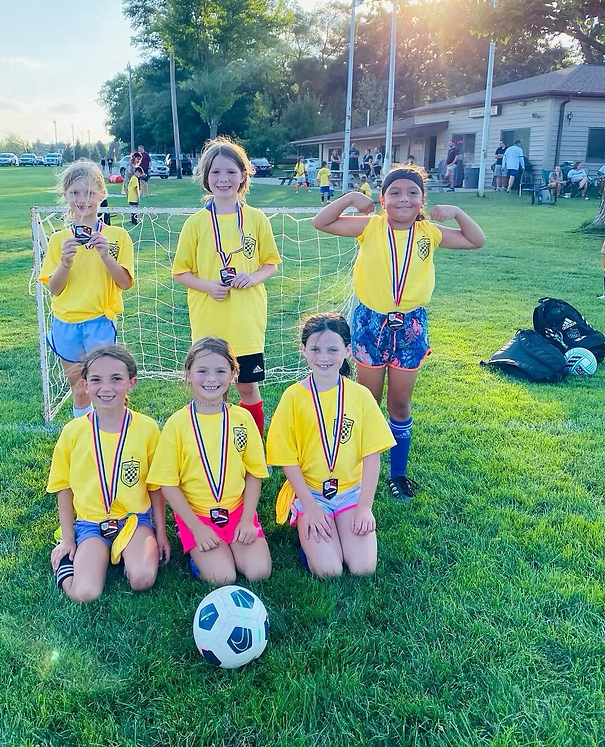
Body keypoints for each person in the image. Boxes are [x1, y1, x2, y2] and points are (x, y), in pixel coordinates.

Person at [312, 165, 486, 502]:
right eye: (394, 192)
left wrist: (457, 212)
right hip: (370, 324)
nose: (403, 198)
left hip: (410, 326)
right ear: (382, 199)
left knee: (400, 404)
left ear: (423, 200)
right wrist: (350, 197)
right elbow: (322, 222)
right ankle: (361, 470)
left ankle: (398, 474)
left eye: (412, 192)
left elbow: (476, 240)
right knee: (368, 402)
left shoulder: (429, 232)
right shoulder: (371, 227)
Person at [266, 314, 395, 578]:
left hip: (350, 493)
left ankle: (336, 527)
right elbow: (287, 460)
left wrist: (364, 508)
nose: (323, 356)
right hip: (311, 493)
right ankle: (306, 528)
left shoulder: (360, 396)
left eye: (332, 349)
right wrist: (310, 508)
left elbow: (372, 457)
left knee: (363, 568)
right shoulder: (293, 397)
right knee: (329, 571)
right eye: (315, 349)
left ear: (347, 351)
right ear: (303, 350)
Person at [172, 138, 281, 436]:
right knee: (212, 389)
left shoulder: (257, 219)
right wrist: (207, 286)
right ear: (206, 177)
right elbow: (180, 271)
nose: (224, 179)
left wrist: (253, 277)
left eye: (231, 172)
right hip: (209, 321)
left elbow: (270, 263)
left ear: (244, 175)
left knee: (247, 387)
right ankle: (214, 445)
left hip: (246, 321)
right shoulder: (195, 223)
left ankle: (252, 451)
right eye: (216, 172)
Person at [47, 345, 169, 601]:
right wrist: (68, 539)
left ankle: (129, 556)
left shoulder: (147, 429)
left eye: (116, 379)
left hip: (135, 520)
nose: (106, 388)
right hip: (91, 523)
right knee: (86, 593)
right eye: (96, 380)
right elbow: (63, 487)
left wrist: (160, 533)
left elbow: (155, 487)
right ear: (84, 385)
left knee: (143, 579)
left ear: (131, 383)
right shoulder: (73, 432)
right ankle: (72, 564)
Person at [148, 337, 271, 585]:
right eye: (202, 371)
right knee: (223, 577)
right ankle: (200, 556)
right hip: (198, 516)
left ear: (233, 375)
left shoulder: (242, 419)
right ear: (188, 374)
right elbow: (167, 484)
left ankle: (228, 548)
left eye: (220, 371)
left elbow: (254, 473)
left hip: (237, 512)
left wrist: (247, 520)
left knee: (259, 572)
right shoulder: (177, 424)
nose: (211, 379)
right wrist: (196, 527)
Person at [39, 161, 134, 417]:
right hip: (66, 323)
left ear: (102, 195)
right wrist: (65, 263)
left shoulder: (117, 236)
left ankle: (115, 433)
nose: (83, 200)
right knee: (80, 388)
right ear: (66, 196)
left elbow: (124, 284)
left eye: (90, 193)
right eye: (75, 193)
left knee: (109, 386)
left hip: (99, 322)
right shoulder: (59, 240)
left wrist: (106, 256)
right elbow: (55, 289)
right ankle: (85, 437)